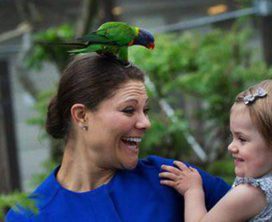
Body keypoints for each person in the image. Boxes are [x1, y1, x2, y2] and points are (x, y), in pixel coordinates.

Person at [6, 54, 230, 221]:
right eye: (129, 110)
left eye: (146, 111)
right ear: (82, 115)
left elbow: (260, 207)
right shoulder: (29, 216)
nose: (145, 123)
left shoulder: (174, 179)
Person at [159, 79, 272, 221]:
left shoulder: (251, 193)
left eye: (242, 139)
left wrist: (192, 190)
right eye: (233, 137)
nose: (231, 146)